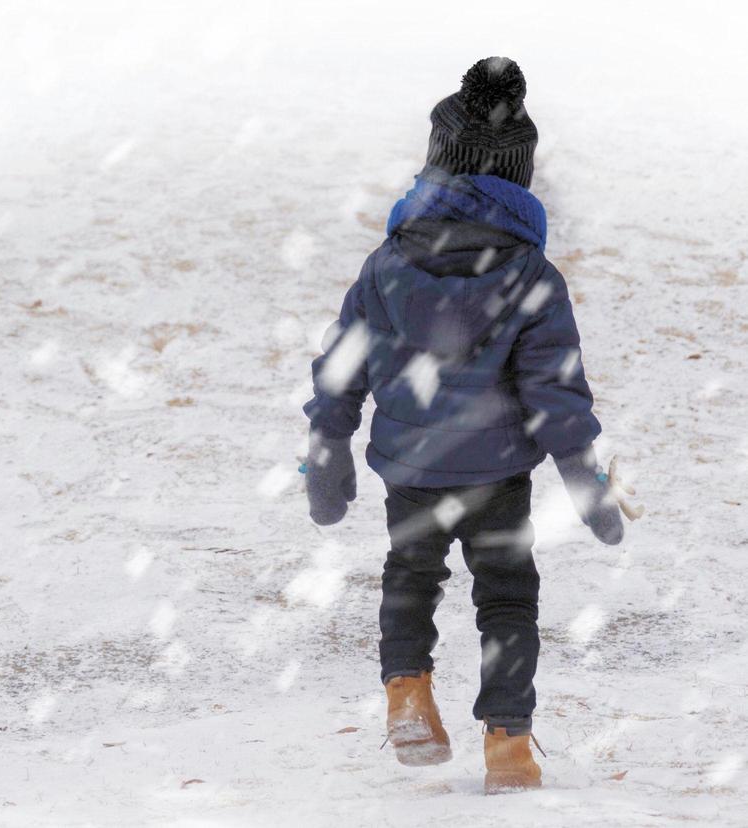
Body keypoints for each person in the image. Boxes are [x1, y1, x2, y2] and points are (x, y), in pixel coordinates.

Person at [302, 56, 625, 794]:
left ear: (435, 164)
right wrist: (585, 479)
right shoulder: (534, 279)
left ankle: (407, 694)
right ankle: (508, 742)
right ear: (519, 180)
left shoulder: (384, 267)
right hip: (498, 476)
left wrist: (328, 449)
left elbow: (339, 369)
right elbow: (557, 395)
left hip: (412, 468)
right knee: (507, 596)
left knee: (410, 578)